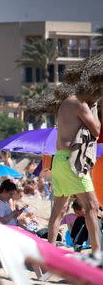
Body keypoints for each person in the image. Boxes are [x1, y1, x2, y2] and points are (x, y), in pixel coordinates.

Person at [47, 83, 103, 254]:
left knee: (59, 209)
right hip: (72, 162)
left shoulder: (67, 101)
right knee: (92, 206)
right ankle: (97, 253)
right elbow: (96, 131)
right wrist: (95, 109)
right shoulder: (81, 103)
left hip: (59, 160)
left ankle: (49, 252)